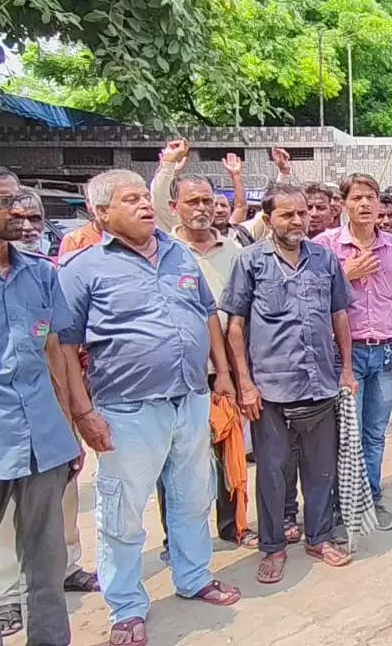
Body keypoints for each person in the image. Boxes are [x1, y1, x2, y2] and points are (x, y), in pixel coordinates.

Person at [55, 169, 241, 646]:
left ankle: (194, 576)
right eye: (131, 198)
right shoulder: (83, 269)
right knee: (122, 512)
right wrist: (82, 413)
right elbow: (65, 346)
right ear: (102, 213)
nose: (144, 205)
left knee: (191, 496)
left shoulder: (178, 253)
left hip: (190, 399)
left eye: (145, 196)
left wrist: (221, 373)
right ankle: (126, 606)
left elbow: (206, 317)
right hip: (126, 410)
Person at [0, 160, 79, 646]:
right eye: (2, 201)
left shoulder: (39, 274)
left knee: (48, 564)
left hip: (44, 443)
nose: (18, 210)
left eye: (19, 199)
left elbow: (53, 353)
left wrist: (72, 429)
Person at [221, 182, 356, 583]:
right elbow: (235, 326)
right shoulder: (250, 261)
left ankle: (319, 537)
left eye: (303, 213)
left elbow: (340, 317)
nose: (299, 220)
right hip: (270, 389)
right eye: (288, 214)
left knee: (321, 469)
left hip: (320, 384)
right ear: (269, 218)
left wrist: (346, 369)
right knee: (272, 472)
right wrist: (245, 383)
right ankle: (273, 547)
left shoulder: (324, 259)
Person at [157, 168, 255, 549]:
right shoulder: (162, 251)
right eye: (191, 202)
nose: (201, 208)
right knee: (178, 460)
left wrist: (235, 373)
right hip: (179, 374)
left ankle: (232, 527)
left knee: (228, 452)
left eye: (207, 201)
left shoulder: (235, 249)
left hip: (227, 370)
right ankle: (175, 540)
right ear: (173, 207)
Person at [313, 174, 392, 528]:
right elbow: (310, 297)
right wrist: (345, 274)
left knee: (375, 431)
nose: (365, 204)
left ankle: (371, 498)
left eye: (371, 198)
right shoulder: (325, 246)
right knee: (344, 433)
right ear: (344, 203)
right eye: (357, 198)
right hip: (343, 357)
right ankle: (342, 504)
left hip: (382, 351)